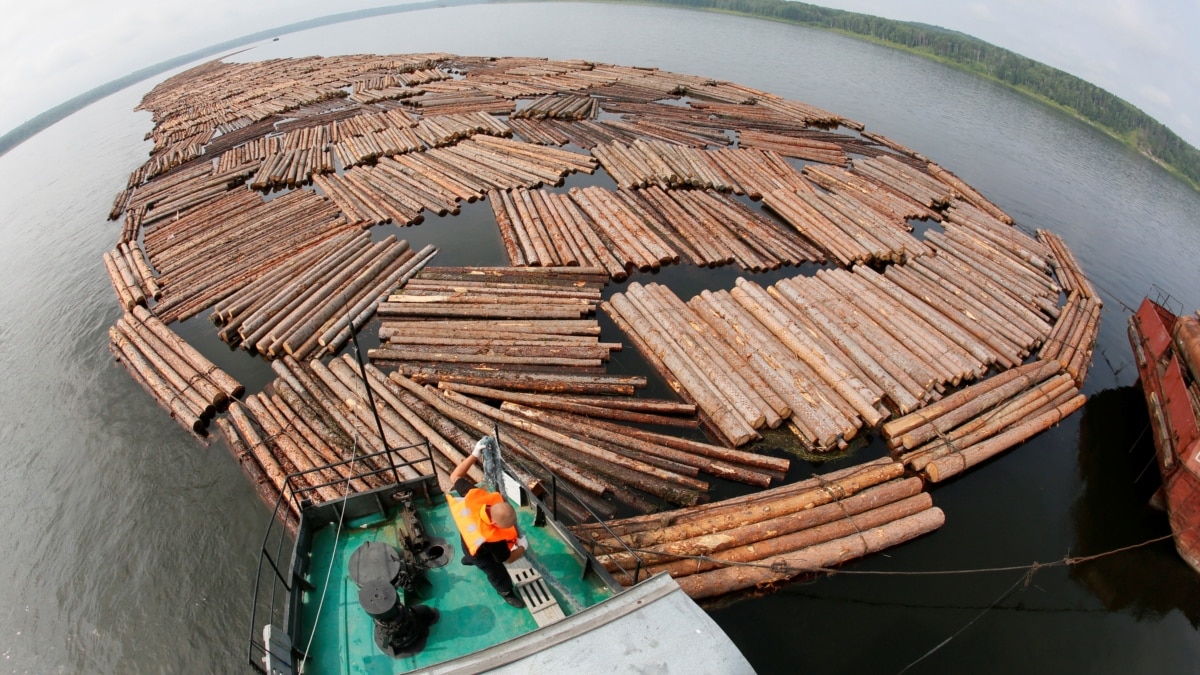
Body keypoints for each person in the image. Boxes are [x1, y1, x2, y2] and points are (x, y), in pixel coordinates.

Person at [447, 439, 528, 608]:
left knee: (470, 554)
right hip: (481, 554)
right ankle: (505, 593)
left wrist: (474, 455)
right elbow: (509, 559)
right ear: (496, 525)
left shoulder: (475, 497)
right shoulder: (493, 540)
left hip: (466, 542)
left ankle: (468, 559)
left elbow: (455, 476)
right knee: (498, 574)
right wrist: (522, 547)